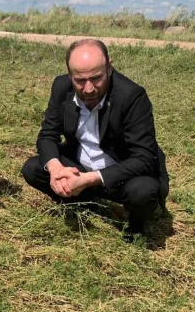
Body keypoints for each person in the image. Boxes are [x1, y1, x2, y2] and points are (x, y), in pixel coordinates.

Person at [21, 38, 168, 238]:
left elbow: (145, 158)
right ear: (70, 74)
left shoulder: (132, 96)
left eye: (96, 78)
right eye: (80, 80)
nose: (89, 88)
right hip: (79, 165)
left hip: (120, 172)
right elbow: (48, 134)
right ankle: (82, 202)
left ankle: (135, 223)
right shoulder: (61, 87)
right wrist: (56, 169)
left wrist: (90, 179)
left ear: (109, 67)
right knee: (34, 168)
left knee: (143, 192)